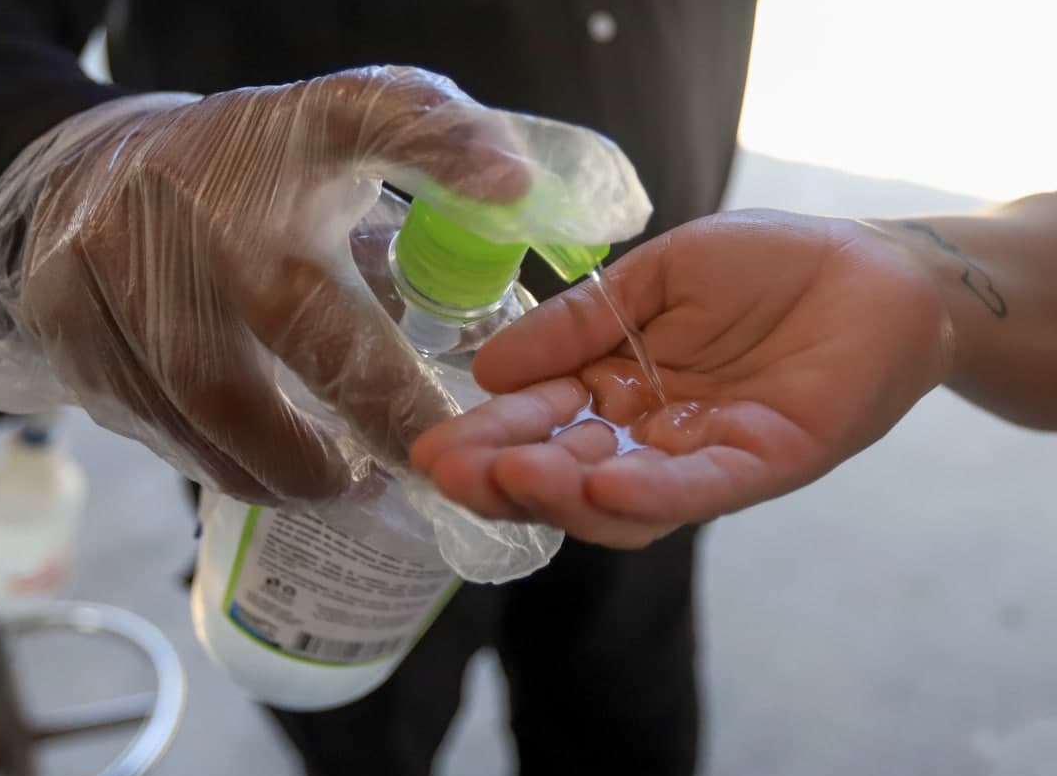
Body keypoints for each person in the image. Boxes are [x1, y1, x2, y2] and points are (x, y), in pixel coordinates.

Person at [0, 0, 766, 776]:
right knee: (359, 750)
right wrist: (79, 159)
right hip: (312, 427)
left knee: (624, 745)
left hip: (639, 413)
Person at [413, 197, 1057, 544]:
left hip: (660, 396)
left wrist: (915, 280)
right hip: (570, 341)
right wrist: (912, 271)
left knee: (624, 696)